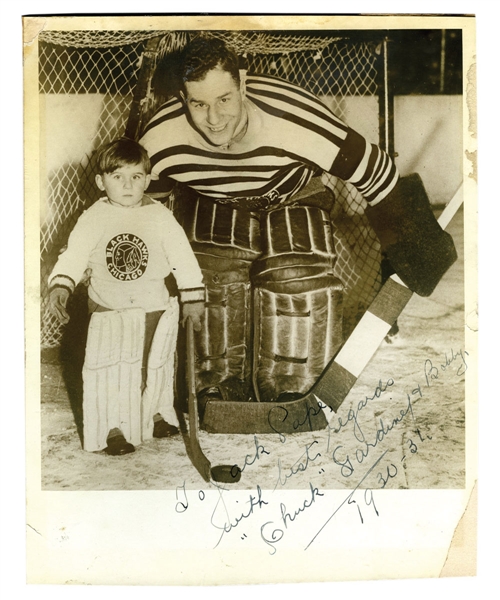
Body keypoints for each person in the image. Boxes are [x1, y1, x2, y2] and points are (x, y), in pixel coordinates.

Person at [139, 37, 456, 415]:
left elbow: (378, 173)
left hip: (292, 193)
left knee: (296, 273)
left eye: (224, 99)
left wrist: (402, 254)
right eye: (199, 103)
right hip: (215, 201)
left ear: (241, 82)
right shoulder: (159, 139)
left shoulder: (297, 122)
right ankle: (217, 384)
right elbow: (144, 212)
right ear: (181, 97)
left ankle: (290, 384)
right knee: (212, 273)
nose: (214, 118)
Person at [48, 138, 205, 455]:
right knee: (113, 371)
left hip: (153, 307)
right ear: (100, 181)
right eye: (117, 176)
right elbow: (74, 255)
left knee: (153, 364)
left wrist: (192, 297)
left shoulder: (160, 217)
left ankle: (154, 415)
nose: (128, 185)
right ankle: (113, 428)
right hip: (110, 310)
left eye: (136, 176)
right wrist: (62, 284)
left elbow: (182, 257)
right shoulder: (94, 217)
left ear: (148, 179)